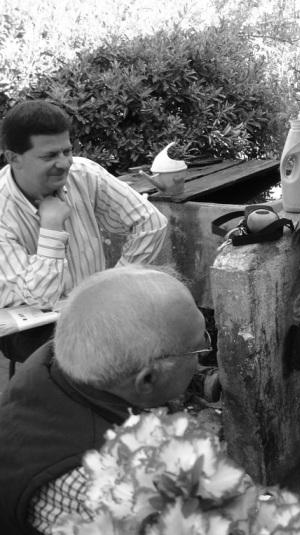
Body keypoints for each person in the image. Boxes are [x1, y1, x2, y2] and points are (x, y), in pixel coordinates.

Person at [0, 265, 210, 535]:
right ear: (146, 380)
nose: (202, 357)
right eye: (199, 348)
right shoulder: (104, 489)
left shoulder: (66, 355)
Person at [0, 100, 168, 363]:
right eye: (49, 156)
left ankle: (187, 376)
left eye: (66, 151)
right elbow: (41, 297)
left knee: (163, 318)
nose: (64, 163)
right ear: (13, 158)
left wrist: (114, 286)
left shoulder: (84, 174)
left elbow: (151, 223)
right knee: (87, 354)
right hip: (29, 322)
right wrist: (51, 227)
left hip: (93, 305)